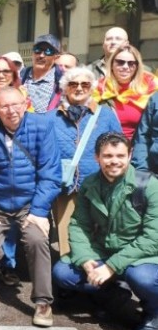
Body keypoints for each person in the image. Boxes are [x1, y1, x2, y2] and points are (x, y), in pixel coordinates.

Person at [0, 87, 61, 327]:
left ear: (25, 104)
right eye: (4, 106)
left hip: (29, 204)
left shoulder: (42, 127)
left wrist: (38, 211)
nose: (11, 110)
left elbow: (51, 175)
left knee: (37, 241)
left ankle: (43, 302)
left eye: (16, 104)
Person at [53, 132, 158, 330]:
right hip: (103, 250)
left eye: (120, 156)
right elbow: (78, 225)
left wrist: (111, 266)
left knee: (143, 279)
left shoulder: (149, 186)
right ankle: (112, 294)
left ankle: (153, 312)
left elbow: (152, 238)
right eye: (108, 156)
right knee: (62, 273)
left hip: (140, 256)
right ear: (97, 158)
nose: (114, 161)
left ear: (129, 156)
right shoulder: (90, 184)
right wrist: (85, 259)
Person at [49, 67, 122, 257]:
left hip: (99, 186)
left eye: (85, 84)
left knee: (99, 237)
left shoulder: (105, 114)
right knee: (66, 241)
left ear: (92, 88)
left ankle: (97, 279)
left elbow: (119, 147)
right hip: (66, 188)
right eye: (73, 84)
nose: (79, 88)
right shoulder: (51, 118)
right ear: (65, 88)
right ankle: (67, 281)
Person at [95, 44, 157, 140]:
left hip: (138, 149)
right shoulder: (99, 88)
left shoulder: (150, 88)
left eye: (131, 63)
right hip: (105, 148)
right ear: (111, 64)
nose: (125, 67)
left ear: (137, 66)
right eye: (120, 62)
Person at [20, 34, 64, 113]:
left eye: (48, 51)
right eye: (37, 50)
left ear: (56, 57)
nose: (41, 55)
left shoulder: (62, 82)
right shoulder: (20, 76)